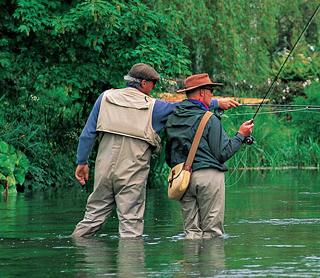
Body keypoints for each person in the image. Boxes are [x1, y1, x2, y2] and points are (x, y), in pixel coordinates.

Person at [72, 63, 239, 238]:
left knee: (91, 218)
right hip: (131, 172)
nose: (154, 88)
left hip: (103, 169)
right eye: (153, 84)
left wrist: (82, 162)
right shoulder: (154, 107)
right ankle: (130, 263)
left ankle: (77, 256)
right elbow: (186, 108)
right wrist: (216, 102)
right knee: (130, 225)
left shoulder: (105, 97)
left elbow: (87, 134)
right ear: (144, 83)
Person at [166, 73, 254, 239]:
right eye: (210, 90)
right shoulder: (210, 119)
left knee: (191, 233)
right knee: (212, 233)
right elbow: (223, 153)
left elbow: (169, 155)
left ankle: (190, 263)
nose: (213, 94)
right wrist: (240, 135)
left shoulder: (173, 118)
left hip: (182, 178)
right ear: (201, 93)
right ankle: (210, 265)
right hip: (208, 177)